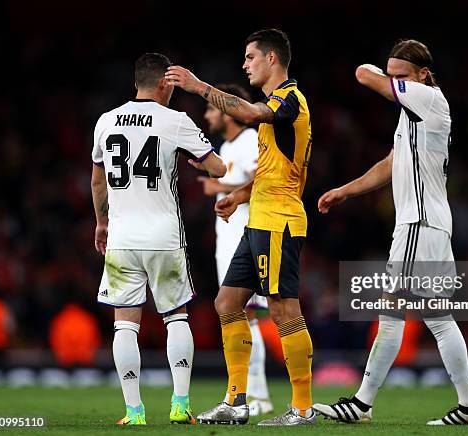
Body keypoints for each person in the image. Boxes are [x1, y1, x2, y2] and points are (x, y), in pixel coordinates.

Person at [313, 39, 468, 426]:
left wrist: (380, 76)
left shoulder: (428, 99)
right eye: (392, 77)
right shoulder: (412, 115)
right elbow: (390, 164)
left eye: (401, 77)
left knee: (391, 313)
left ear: (423, 75)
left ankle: (361, 404)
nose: (395, 84)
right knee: (438, 318)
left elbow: (361, 74)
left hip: (418, 223)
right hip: (431, 223)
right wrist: (346, 190)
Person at [165, 28, 315, 426]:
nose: (245, 64)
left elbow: (248, 113)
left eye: (250, 57)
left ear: (271, 58)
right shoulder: (273, 109)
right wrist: (241, 194)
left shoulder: (290, 100)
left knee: (284, 310)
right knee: (227, 303)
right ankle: (236, 401)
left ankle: (301, 407)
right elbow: (273, 171)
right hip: (259, 217)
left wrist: (199, 87)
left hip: (280, 222)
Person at [91, 52, 226, 426]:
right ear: (165, 83)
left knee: (124, 323)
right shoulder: (175, 121)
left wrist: (101, 224)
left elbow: (97, 179)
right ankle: (180, 405)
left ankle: (134, 412)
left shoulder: (106, 121)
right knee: (176, 316)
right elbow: (219, 167)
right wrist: (198, 159)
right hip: (164, 236)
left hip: (121, 238)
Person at [201, 83, 273, 416]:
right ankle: (243, 392)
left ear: (227, 114)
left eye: (212, 109)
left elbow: (263, 179)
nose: (207, 114)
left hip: (247, 236)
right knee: (237, 316)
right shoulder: (226, 147)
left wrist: (219, 185)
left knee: (249, 317)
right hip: (228, 239)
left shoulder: (248, 141)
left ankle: (257, 395)